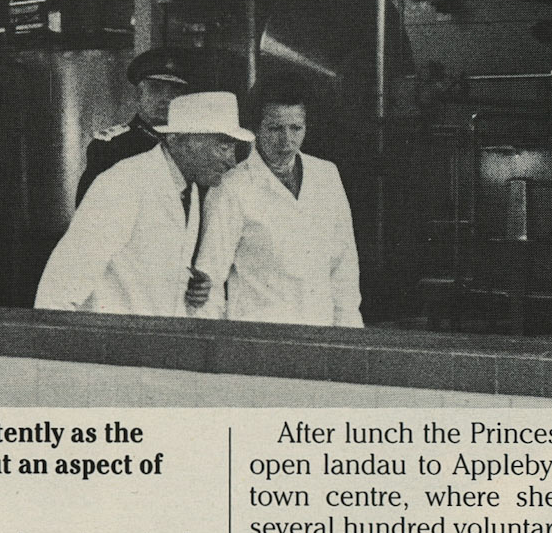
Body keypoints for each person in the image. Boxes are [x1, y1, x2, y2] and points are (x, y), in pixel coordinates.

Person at [35, 89, 253, 317]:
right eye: (223, 147)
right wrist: (50, 342)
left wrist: (193, 287)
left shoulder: (189, 189)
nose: (232, 161)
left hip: (153, 340)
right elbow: (64, 277)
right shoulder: (125, 182)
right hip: (113, 342)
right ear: (179, 140)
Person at [197, 73, 363, 327]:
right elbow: (211, 277)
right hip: (260, 337)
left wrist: (349, 332)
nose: (287, 141)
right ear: (255, 128)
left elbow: (344, 267)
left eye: (296, 128)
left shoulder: (326, 175)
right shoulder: (232, 187)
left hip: (322, 329)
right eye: (275, 129)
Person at [75, 47, 192, 206]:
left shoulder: (190, 145)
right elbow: (90, 216)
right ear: (138, 94)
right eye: (155, 88)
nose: (166, 98)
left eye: (174, 90)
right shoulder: (112, 148)